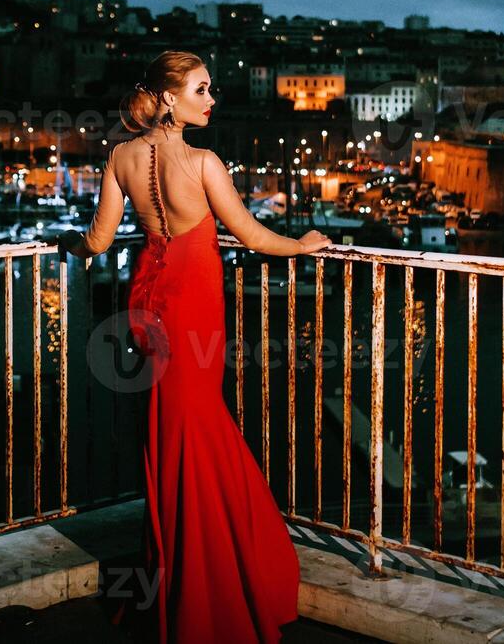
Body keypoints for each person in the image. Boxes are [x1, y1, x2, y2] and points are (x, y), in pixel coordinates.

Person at [56, 50, 330, 643]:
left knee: (174, 430)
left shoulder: (119, 157)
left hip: (148, 303)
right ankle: (220, 581)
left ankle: (183, 572)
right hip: (194, 304)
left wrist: (68, 243)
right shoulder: (205, 162)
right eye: (203, 90)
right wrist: (303, 244)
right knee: (200, 427)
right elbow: (251, 234)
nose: (212, 100)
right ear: (169, 98)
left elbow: (99, 240)